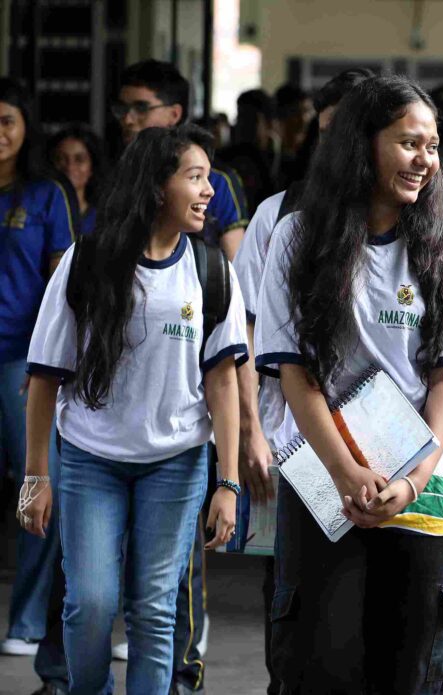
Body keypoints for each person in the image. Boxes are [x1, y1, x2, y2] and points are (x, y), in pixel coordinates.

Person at [255, 74, 443, 694]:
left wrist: (412, 478)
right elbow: (296, 373)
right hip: (326, 479)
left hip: (424, 485)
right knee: (317, 662)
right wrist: (344, 471)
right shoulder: (298, 239)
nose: (425, 161)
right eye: (409, 143)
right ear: (363, 144)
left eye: (434, 146)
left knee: (408, 671)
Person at [18, 124, 247, 694]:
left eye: (208, 179)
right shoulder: (88, 261)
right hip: (90, 459)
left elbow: (223, 383)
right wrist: (34, 477)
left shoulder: (211, 269)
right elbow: (45, 376)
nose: (208, 192)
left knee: (154, 609)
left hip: (176, 464)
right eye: (194, 178)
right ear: (154, 185)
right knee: (90, 602)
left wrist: (230, 482)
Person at [232, 65, 373, 695]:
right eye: (326, 132)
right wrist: (252, 429)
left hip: (387, 442)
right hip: (290, 437)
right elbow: (247, 330)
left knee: (372, 592)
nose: (333, 147)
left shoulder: (419, 218)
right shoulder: (279, 215)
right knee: (290, 593)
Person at [0, 77, 75, 659]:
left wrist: (47, 363)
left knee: (36, 486)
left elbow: (60, 284)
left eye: (7, 120)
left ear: (26, 129)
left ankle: (26, 622)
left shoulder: (46, 194)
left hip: (20, 364)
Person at [114, 59, 248, 259]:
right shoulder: (113, 172)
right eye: (122, 109)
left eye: (141, 108)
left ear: (174, 114)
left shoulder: (217, 180)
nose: (128, 119)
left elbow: (235, 262)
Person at [219, 89, 277, 212]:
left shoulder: (280, 161)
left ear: (268, 123)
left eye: (249, 120)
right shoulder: (225, 159)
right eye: (239, 118)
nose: (241, 126)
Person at [48, 124, 107, 236]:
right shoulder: (38, 213)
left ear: (92, 167)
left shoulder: (104, 219)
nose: (70, 167)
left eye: (79, 159)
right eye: (61, 159)